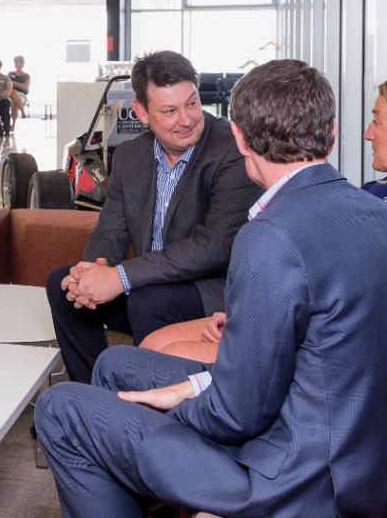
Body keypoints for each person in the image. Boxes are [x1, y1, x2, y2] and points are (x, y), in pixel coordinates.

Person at [35, 59, 387, 518]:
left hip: (294, 477)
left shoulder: (270, 236)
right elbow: (303, 358)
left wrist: (179, 404)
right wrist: (191, 384)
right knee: (116, 364)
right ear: (331, 133)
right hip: (368, 455)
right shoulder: (380, 213)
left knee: (60, 407)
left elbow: (237, 414)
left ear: (238, 138)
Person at [143, 74, 387, 421]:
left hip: (359, 359)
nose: (367, 133)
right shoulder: (374, 194)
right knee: (154, 344)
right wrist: (252, 320)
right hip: (312, 328)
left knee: (162, 356)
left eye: (376, 120)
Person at [45, 50, 260, 383]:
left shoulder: (230, 149)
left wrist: (120, 279)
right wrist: (94, 272)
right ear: (141, 112)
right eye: (170, 111)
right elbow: (111, 230)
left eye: (192, 103)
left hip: (209, 291)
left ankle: (147, 407)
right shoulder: (131, 156)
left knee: (148, 300)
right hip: (148, 282)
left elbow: (213, 245)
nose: (187, 119)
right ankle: (93, 397)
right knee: (64, 286)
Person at [8, 55, 31, 126]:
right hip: (9, 94)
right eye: (14, 62)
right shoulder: (10, 74)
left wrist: (16, 84)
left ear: (22, 64)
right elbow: (7, 84)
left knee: (14, 98)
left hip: (22, 95)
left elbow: (26, 87)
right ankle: (23, 111)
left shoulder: (26, 75)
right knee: (13, 93)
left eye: (16, 62)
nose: (15, 64)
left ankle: (13, 124)